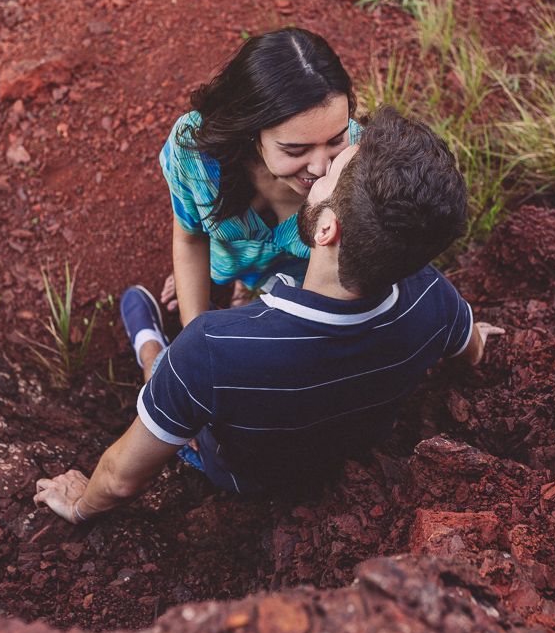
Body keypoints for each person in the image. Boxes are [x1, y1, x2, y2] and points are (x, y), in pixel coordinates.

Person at [33, 107, 503, 521]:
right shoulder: (436, 298)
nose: (318, 170)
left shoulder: (211, 347)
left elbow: (120, 482)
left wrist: (78, 506)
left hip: (242, 476)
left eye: (331, 173)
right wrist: (471, 334)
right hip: (350, 453)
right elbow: (474, 350)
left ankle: (149, 346)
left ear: (326, 229)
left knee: (175, 386)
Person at [156, 27, 360, 350]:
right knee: (217, 269)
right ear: (250, 132)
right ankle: (239, 279)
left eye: (336, 139)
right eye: (296, 150)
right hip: (225, 259)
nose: (322, 169)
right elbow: (190, 238)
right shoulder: (196, 151)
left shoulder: (362, 165)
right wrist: (195, 338)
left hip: (302, 284)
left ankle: (246, 285)